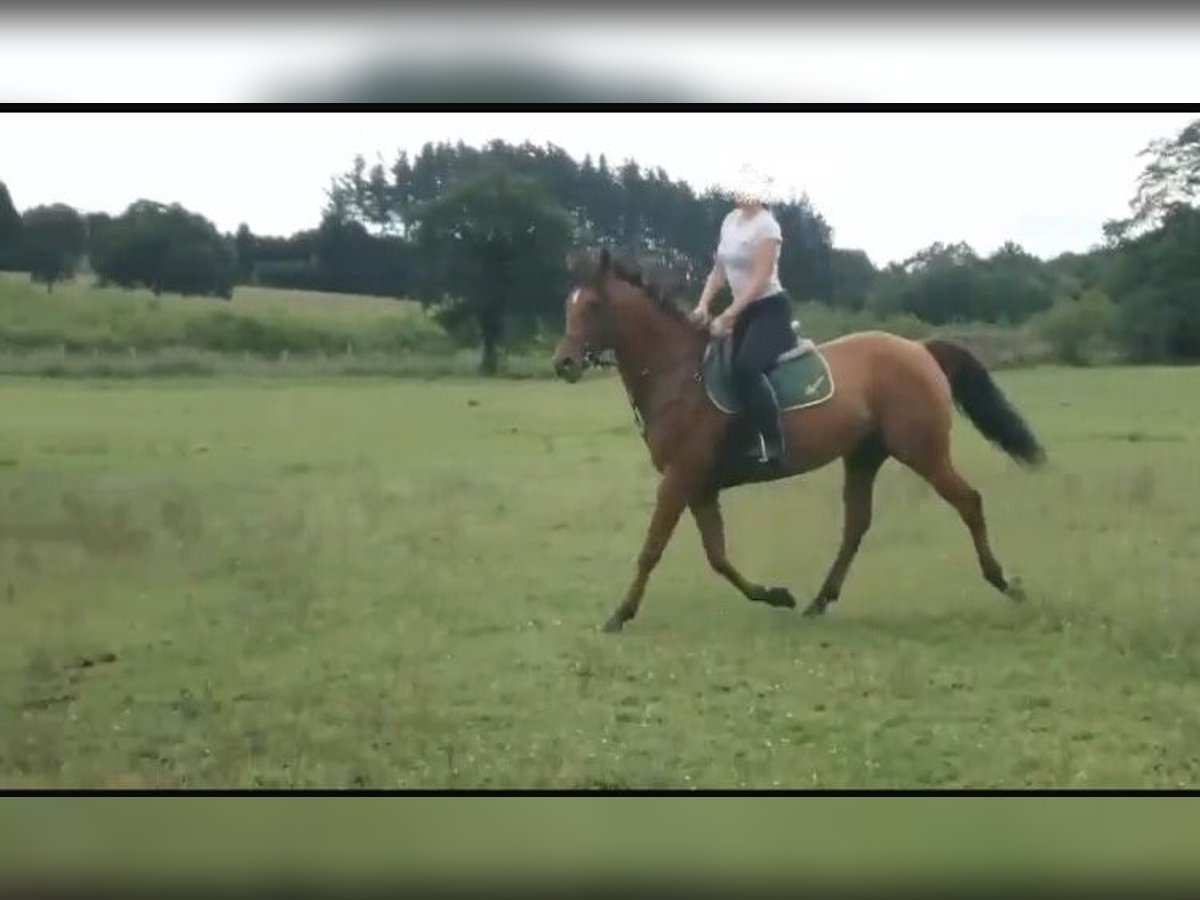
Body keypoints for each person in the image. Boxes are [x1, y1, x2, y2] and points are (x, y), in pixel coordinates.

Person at [691, 164, 796, 464]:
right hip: (743, 312)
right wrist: (703, 305)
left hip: (769, 310)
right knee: (715, 364)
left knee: (746, 367)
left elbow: (761, 278)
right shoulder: (730, 221)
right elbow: (718, 271)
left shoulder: (767, 226)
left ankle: (774, 442)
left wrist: (730, 313)